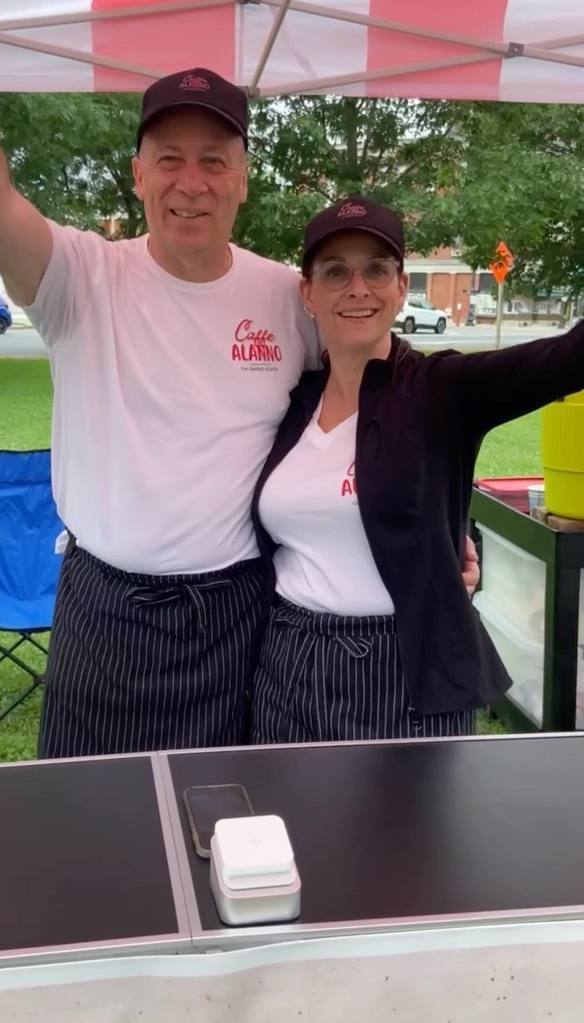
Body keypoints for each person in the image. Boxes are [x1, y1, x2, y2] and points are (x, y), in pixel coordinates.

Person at [0, 0, 478, 756]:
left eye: (214, 159)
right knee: (87, 834)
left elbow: (395, 397)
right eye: (169, 158)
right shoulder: (80, 277)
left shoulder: (289, 296)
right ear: (138, 174)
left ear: (241, 181)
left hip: (238, 609)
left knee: (222, 829)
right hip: (104, 605)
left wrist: (445, 522)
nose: (190, 180)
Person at [250, 194, 584, 743]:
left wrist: (454, 536)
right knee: (287, 826)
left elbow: (567, 358)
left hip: (400, 669)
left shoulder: (441, 390)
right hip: (285, 662)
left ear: (401, 287)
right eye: (335, 272)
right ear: (308, 292)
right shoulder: (292, 401)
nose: (358, 287)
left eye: (377, 270)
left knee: (404, 832)